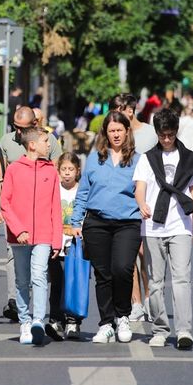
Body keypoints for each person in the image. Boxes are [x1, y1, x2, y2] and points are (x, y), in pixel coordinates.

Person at [134, 108, 193, 349]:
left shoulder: (187, 158)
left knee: (181, 279)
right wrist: (141, 204)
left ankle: (184, 330)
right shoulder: (147, 158)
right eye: (162, 135)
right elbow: (140, 186)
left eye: (171, 134)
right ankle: (159, 328)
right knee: (155, 282)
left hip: (180, 226)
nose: (167, 139)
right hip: (153, 227)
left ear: (176, 132)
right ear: (156, 133)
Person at [71, 111, 141, 344]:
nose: (116, 135)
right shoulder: (94, 159)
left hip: (127, 223)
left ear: (127, 131)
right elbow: (82, 193)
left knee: (122, 269)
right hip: (96, 223)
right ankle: (106, 323)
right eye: (111, 131)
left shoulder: (138, 160)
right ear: (106, 134)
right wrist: (75, 222)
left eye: (119, 130)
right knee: (103, 275)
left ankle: (123, 316)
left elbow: (145, 192)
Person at [0, 106, 62, 323]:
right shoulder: (6, 143)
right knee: (16, 264)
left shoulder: (49, 143)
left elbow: (56, 180)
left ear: (34, 125)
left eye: (22, 128)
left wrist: (57, 236)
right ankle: (18, 306)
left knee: (39, 273)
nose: (17, 131)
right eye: (15, 127)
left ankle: (38, 319)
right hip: (16, 217)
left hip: (41, 224)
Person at [113, 93, 157, 322]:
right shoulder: (115, 134)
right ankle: (136, 303)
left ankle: (150, 299)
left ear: (131, 110)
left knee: (145, 255)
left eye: (121, 108)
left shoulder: (149, 133)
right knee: (127, 256)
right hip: (123, 202)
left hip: (147, 200)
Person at [48, 152, 83, 340]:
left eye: (71, 169)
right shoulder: (55, 189)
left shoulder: (81, 190)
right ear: (58, 171)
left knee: (74, 283)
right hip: (56, 243)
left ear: (78, 171)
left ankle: (73, 321)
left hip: (75, 245)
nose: (67, 173)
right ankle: (56, 319)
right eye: (64, 169)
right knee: (57, 283)